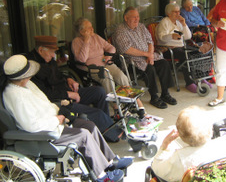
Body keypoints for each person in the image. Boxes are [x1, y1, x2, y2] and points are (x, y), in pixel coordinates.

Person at [2, 54, 133, 182]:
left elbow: (45, 103)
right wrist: (55, 120)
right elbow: (30, 125)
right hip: (45, 132)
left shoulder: (27, 85)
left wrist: (59, 110)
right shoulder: (15, 95)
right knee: (84, 135)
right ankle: (101, 177)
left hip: (54, 120)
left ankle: (110, 161)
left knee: (90, 125)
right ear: (23, 76)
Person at [26, 35, 122, 142]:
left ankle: (105, 129)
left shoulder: (48, 59)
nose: (54, 55)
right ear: (40, 50)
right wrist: (68, 94)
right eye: (52, 52)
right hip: (60, 102)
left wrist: (68, 79)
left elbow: (58, 75)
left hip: (67, 91)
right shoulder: (33, 68)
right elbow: (46, 94)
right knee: (96, 113)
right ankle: (113, 134)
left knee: (99, 91)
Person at [71, 17, 146, 117]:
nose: (92, 29)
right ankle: (116, 107)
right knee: (107, 77)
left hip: (105, 64)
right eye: (89, 28)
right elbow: (82, 59)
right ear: (81, 31)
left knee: (121, 76)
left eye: (91, 27)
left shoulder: (96, 37)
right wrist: (86, 41)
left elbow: (111, 47)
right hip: (92, 68)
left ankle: (130, 101)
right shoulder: (76, 42)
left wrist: (109, 55)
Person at [151, 106, 226, 182]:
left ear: (180, 136)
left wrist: (165, 145)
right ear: (211, 129)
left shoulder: (180, 158)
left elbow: (157, 169)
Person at [112, 6, 177, 109]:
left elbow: (150, 41)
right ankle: (154, 97)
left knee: (163, 63)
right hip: (132, 61)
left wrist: (150, 55)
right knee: (149, 68)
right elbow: (127, 50)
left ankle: (165, 93)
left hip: (148, 56)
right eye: (133, 17)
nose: (137, 19)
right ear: (126, 18)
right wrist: (147, 55)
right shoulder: (120, 30)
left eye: (137, 16)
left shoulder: (141, 26)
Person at [156, 3, 212, 93]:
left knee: (199, 52)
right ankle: (189, 83)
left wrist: (184, 24)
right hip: (168, 49)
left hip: (181, 47)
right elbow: (161, 38)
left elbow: (187, 37)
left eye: (179, 11)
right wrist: (171, 36)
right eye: (175, 12)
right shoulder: (164, 22)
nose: (178, 14)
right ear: (169, 13)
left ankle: (200, 78)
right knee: (185, 56)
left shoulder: (178, 22)